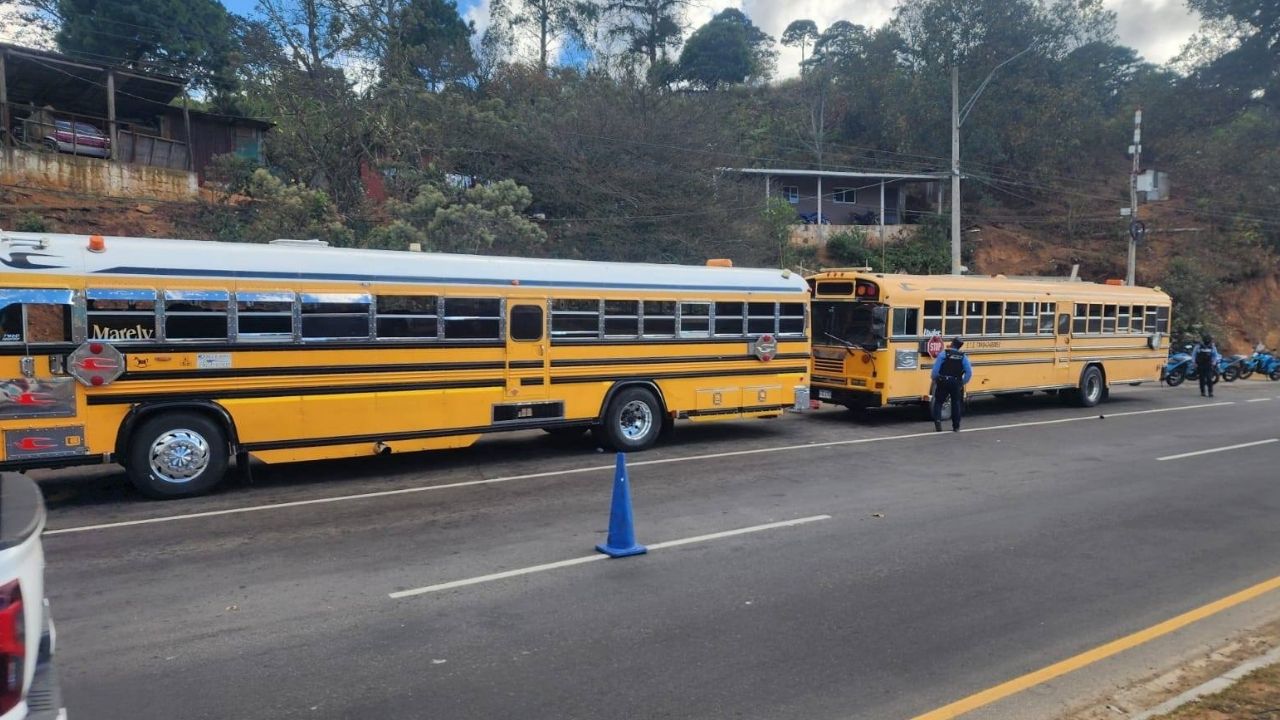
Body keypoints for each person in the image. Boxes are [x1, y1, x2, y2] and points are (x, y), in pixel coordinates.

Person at [931, 337, 973, 432]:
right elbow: (969, 372)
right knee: (956, 403)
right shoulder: (963, 357)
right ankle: (956, 426)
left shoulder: (944, 354)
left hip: (943, 380)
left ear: (952, 344)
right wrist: (962, 382)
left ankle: (938, 422)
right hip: (956, 382)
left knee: (938, 402)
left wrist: (935, 378)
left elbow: (935, 370)